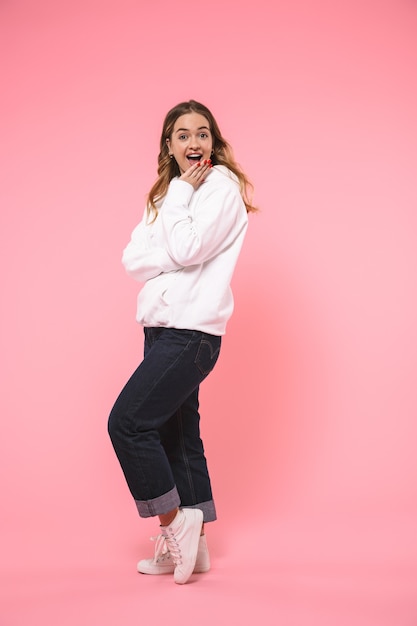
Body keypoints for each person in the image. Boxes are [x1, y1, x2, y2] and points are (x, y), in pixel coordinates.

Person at [108, 99, 256, 585]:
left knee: (128, 423)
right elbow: (133, 260)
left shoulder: (220, 188)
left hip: (192, 331)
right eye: (183, 135)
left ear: (213, 141)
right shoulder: (162, 193)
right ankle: (197, 550)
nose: (194, 143)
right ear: (168, 145)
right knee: (177, 435)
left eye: (202, 134)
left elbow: (189, 249)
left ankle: (176, 524)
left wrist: (174, 232)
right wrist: (172, 239)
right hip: (161, 329)